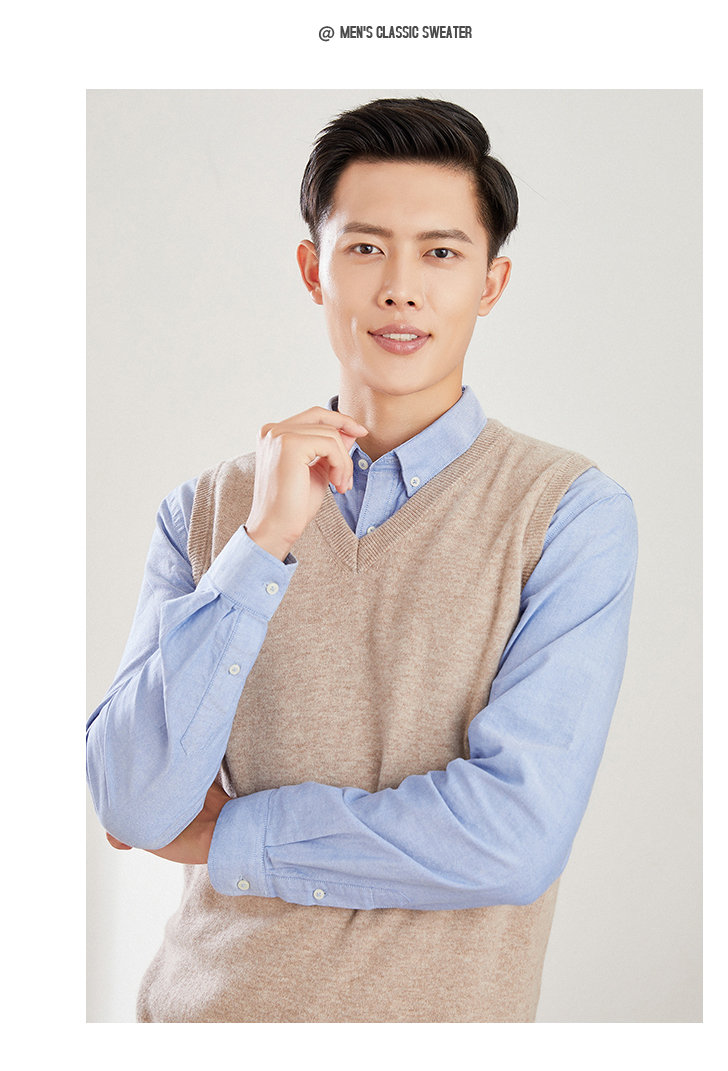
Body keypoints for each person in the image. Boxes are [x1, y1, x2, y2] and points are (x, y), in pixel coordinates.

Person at [86, 97, 637, 1023]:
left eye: (442, 252)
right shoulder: (207, 510)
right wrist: (262, 541)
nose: (401, 288)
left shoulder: (568, 513)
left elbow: (513, 835)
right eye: (367, 248)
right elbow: (133, 803)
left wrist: (228, 834)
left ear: (492, 282)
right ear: (315, 269)